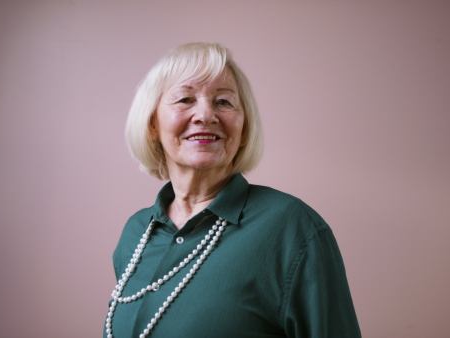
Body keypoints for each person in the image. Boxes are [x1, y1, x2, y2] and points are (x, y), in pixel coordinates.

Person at [105, 42, 361, 338]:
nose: (205, 115)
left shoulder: (291, 226)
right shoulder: (136, 234)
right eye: (186, 99)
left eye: (223, 102)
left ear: (243, 129)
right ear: (152, 125)